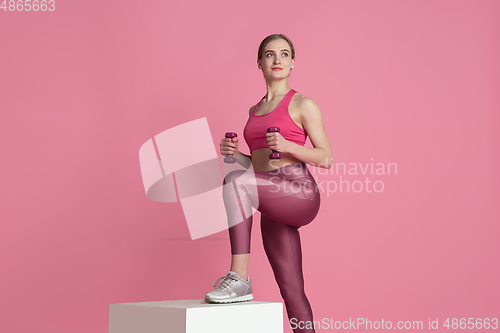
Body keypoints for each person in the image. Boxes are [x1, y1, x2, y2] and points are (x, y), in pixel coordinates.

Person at [205, 34, 333, 333]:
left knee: (236, 181)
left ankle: (239, 278)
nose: (278, 60)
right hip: (270, 195)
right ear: (259, 62)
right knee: (291, 290)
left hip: (299, 192)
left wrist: (289, 145)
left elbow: (326, 157)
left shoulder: (303, 103)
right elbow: (259, 168)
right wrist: (237, 156)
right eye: (271, 54)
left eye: (285, 54)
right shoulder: (254, 111)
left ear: (292, 63)